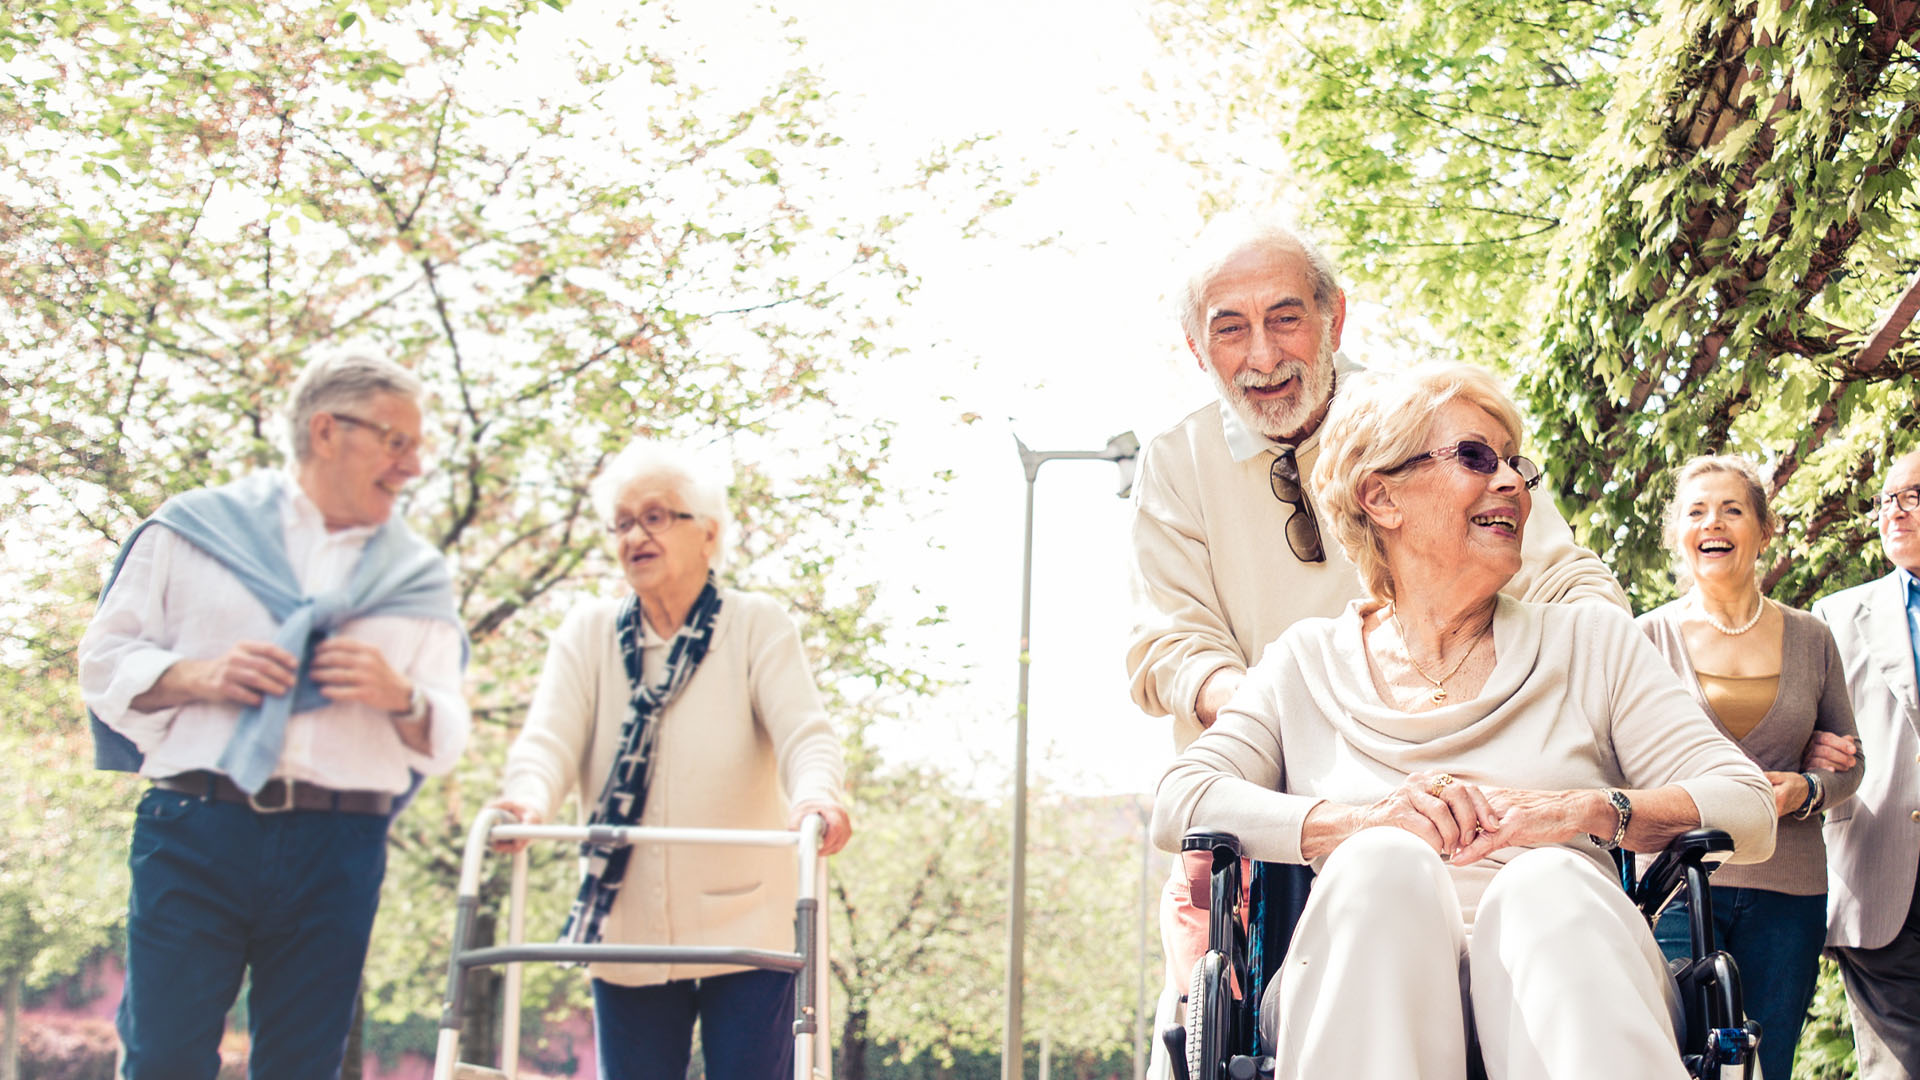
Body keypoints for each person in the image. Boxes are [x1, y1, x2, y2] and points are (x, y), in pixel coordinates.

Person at [1151, 362, 1776, 1079]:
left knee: (1546, 884)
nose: (1511, 481)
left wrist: (1586, 810)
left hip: (1575, 977)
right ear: (1380, 495)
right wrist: (1360, 824)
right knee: (1382, 868)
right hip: (1364, 977)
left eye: (1516, 464)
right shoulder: (1306, 663)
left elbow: (1749, 806)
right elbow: (1181, 798)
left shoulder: (1589, 643)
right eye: (1477, 458)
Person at [1125, 218, 1629, 1057]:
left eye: (1286, 318)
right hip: (1280, 798)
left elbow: (1565, 577)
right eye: (1230, 327)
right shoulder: (1175, 463)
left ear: (1335, 319)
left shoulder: (1424, 425)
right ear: (1195, 348)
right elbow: (1170, 646)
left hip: (1472, 773)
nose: (1262, 355)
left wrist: (1608, 667)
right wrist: (1286, 716)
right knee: (1197, 1022)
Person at [78, 355, 471, 1080]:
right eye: (397, 442)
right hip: (198, 827)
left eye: (417, 448)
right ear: (327, 431)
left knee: (302, 1067)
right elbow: (103, 665)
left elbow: (446, 735)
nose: (412, 466)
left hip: (339, 842)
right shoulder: (190, 532)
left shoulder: (419, 578)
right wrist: (198, 675)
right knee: (164, 1059)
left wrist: (403, 697)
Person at [487, 439, 852, 1080]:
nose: (635, 536)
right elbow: (548, 740)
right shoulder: (588, 633)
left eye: (656, 517)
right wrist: (524, 801)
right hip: (626, 929)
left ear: (707, 534)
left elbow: (805, 733)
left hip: (746, 928)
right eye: (623, 522)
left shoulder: (755, 625)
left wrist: (817, 796)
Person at [1636, 454, 1862, 1080]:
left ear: (1764, 531)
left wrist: (1808, 788)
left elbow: (1851, 762)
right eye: (1697, 511)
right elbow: (1619, 762)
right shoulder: (1645, 640)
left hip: (1788, 892)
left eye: (1733, 509)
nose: (1715, 522)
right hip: (1677, 888)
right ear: (1677, 534)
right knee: (1667, 1059)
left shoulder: (1812, 637)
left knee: (1767, 1064)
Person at [1813, 448, 1920, 1080]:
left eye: (1912, 497)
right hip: (1882, 871)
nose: (1893, 513)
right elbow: (1808, 733)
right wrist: (1813, 751)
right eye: (1886, 500)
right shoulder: (1837, 615)